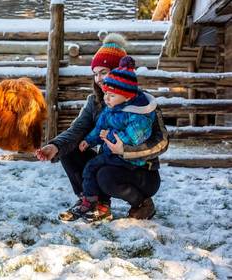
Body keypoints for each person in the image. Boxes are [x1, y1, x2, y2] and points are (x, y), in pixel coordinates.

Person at [35, 33, 169, 222]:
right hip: (110, 161)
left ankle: (142, 203)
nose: (98, 79)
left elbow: (162, 142)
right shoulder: (96, 102)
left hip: (142, 171)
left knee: (105, 175)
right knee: (70, 150)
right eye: (95, 73)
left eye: (104, 72)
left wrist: (126, 150)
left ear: (118, 71)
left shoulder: (143, 104)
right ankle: (92, 202)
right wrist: (55, 146)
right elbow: (77, 130)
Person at [69, 55, 157, 222]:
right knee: (90, 167)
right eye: (106, 94)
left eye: (111, 95)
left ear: (127, 96)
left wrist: (112, 139)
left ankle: (142, 203)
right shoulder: (110, 108)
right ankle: (90, 200)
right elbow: (99, 127)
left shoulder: (140, 111)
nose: (106, 98)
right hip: (112, 155)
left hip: (136, 164)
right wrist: (90, 140)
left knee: (101, 173)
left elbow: (136, 136)